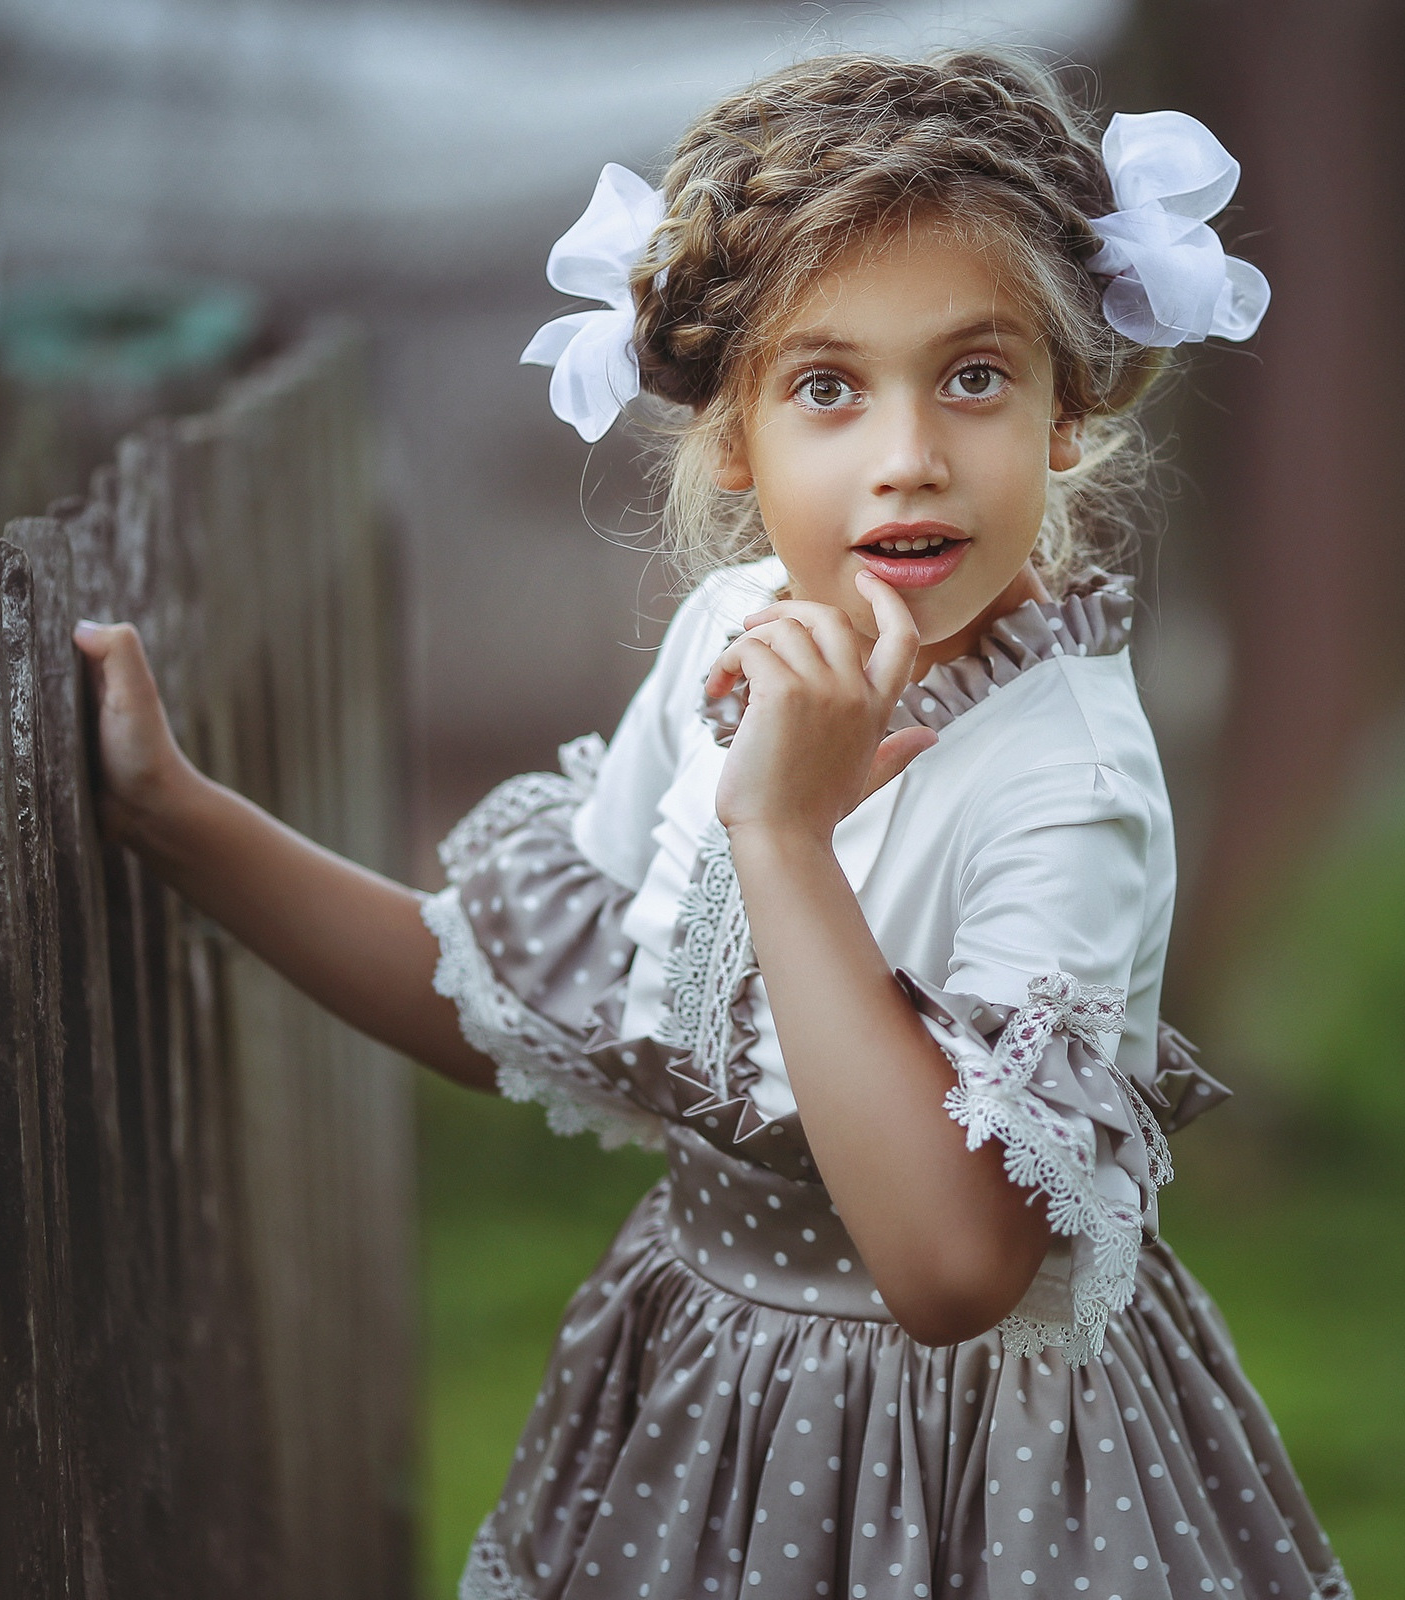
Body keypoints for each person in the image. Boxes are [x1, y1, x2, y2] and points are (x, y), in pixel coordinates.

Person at [74, 47, 1350, 1600]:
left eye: (974, 373)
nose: (909, 455)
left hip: (969, 1474)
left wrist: (787, 840)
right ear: (735, 440)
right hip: (702, 1416)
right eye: (829, 386)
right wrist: (180, 819)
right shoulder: (733, 637)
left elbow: (953, 1271)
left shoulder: (1064, 779)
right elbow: (513, 1008)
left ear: (1069, 408)